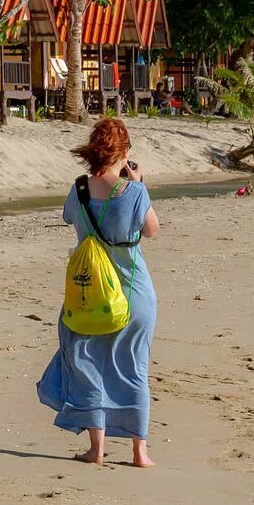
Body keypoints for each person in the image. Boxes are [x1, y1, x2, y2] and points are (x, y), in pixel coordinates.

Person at [38, 118, 160, 467]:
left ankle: (97, 449)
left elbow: (70, 219)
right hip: (133, 294)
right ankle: (140, 452)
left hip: (88, 293)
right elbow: (151, 230)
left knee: (88, 364)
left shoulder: (77, 190)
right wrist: (138, 182)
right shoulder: (135, 192)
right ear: (123, 153)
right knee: (133, 368)